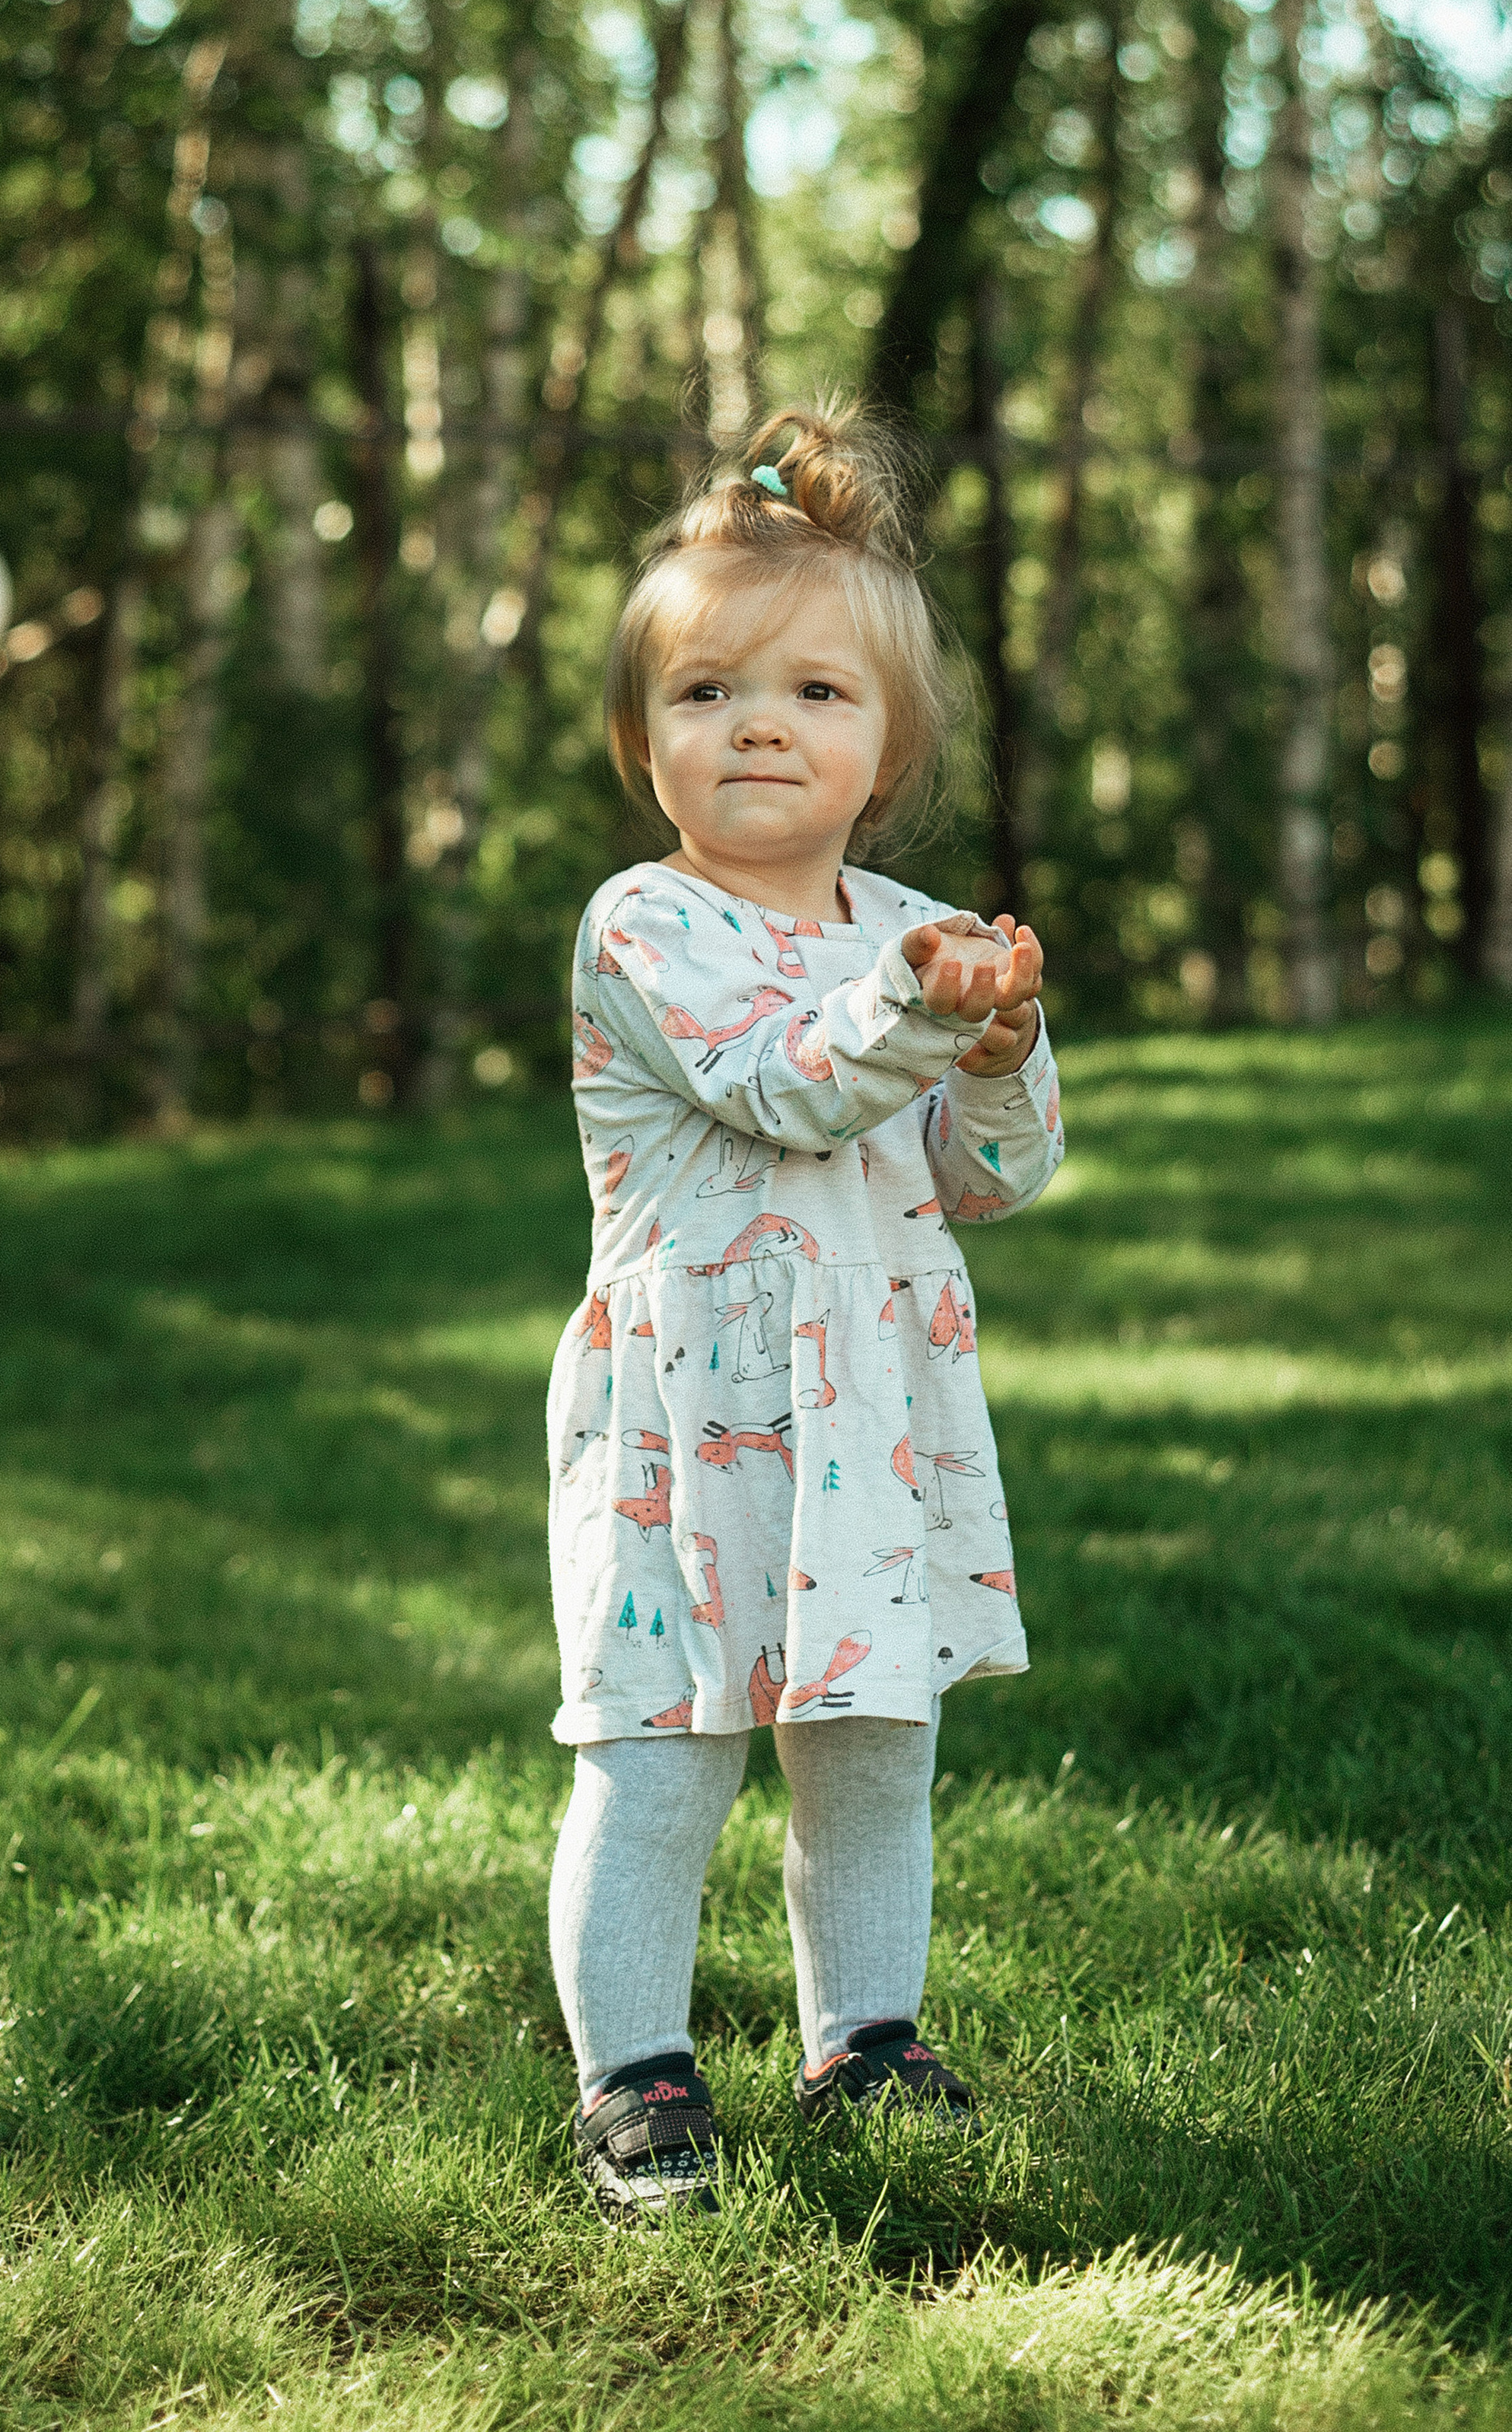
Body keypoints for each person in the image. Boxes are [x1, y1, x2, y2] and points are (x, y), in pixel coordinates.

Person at [548, 401, 1062, 2221]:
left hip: (873, 1418)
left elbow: (985, 1176)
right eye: (706, 692)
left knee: (870, 1743)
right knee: (662, 1753)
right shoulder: (643, 927)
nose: (758, 720)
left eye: (814, 693)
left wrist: (996, 1051)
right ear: (646, 742)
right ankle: (636, 2075)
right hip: (687, 1422)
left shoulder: (908, 926)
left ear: (885, 748)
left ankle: (864, 2036)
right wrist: (918, 1009)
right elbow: (782, 1082)